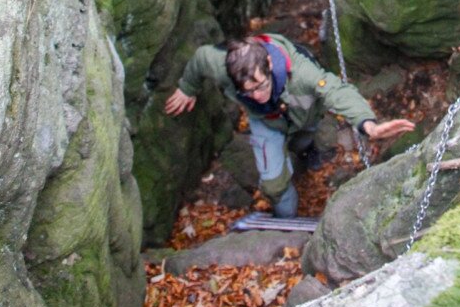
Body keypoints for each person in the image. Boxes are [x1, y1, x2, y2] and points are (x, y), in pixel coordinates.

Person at [165, 32, 415, 218]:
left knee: (305, 140)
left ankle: (306, 152)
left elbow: (337, 91)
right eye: (248, 91)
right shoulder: (221, 65)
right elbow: (200, 58)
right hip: (266, 122)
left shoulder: (302, 73)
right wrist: (188, 88)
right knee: (273, 185)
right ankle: (288, 224)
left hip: (304, 116)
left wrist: (368, 125)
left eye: (261, 86)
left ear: (270, 66)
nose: (257, 95)